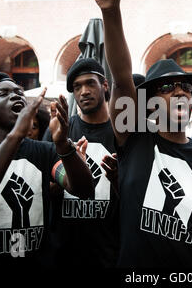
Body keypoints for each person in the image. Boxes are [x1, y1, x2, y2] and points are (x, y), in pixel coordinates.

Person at [94, 0, 192, 267]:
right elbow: (121, 75)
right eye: (167, 88)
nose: (180, 92)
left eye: (186, 87)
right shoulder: (135, 136)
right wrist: (111, 12)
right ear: (150, 104)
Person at [0, 72, 94, 268]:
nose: (15, 95)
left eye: (19, 91)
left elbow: (82, 189)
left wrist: (62, 145)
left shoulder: (45, 150)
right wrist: (16, 134)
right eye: (3, 93)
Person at [42, 58, 119, 268]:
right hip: (63, 250)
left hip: (109, 251)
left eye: (90, 83)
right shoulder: (58, 131)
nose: (84, 91)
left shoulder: (122, 133)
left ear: (104, 85)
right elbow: (41, 187)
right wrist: (69, 176)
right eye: (77, 87)